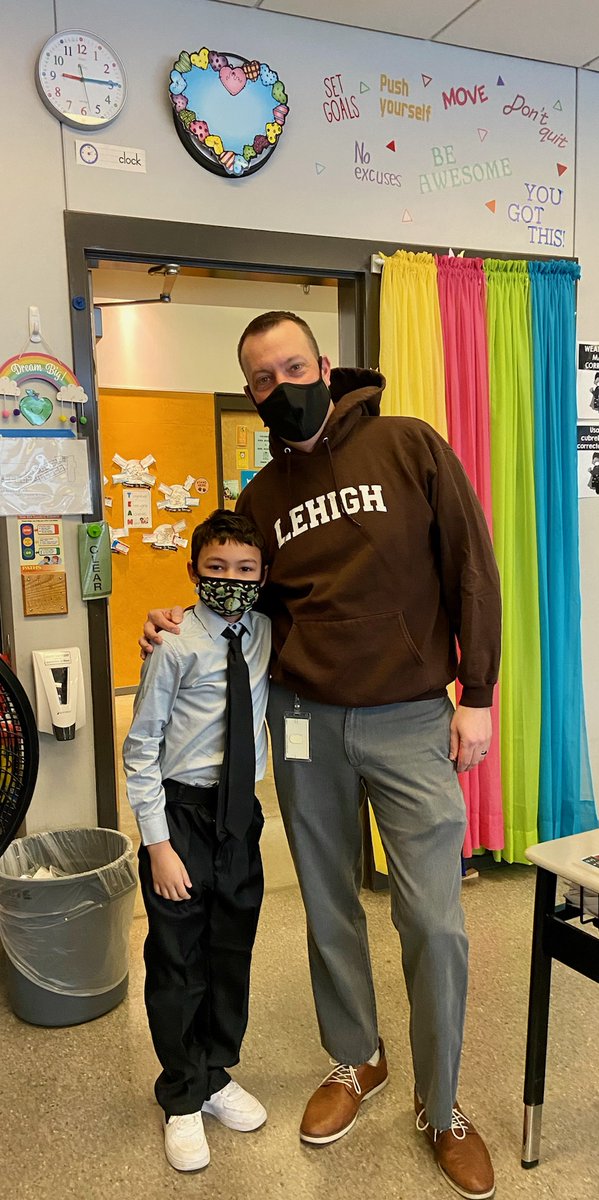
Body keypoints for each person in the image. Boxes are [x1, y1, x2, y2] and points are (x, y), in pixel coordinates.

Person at [140, 312, 501, 1200]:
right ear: (252, 393)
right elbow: (236, 603)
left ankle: (442, 1103)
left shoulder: (409, 446)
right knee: (329, 904)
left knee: (434, 922)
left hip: (411, 718)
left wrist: (479, 695)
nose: (281, 385)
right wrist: (170, 622)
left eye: (292, 365)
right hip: (303, 722)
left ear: (325, 366)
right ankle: (356, 1058)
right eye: (261, 378)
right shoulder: (262, 499)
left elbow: (469, 565)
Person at [124, 509, 271, 1172]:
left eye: (245, 570)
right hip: (180, 816)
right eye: (216, 569)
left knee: (229, 950)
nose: (231, 581)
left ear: (264, 576)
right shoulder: (176, 642)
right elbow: (140, 750)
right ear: (193, 573)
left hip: (240, 815)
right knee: (179, 960)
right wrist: (157, 844)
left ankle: (215, 1072)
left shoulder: (267, 632)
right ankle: (181, 1095)